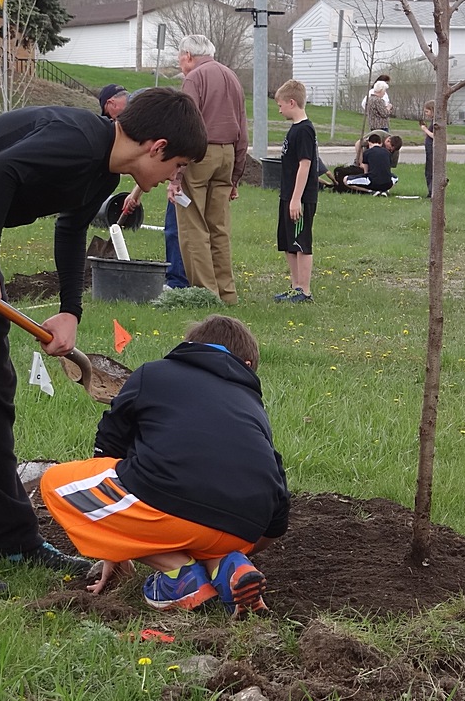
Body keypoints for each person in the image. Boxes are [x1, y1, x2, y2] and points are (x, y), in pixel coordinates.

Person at [0, 87, 208, 596]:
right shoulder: (78, 140)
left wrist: (70, 311)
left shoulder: (101, 166)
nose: (173, 177)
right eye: (178, 165)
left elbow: (72, 228)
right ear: (157, 146)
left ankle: (13, 538)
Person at [40, 315, 289, 615]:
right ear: (247, 366)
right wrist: (235, 544)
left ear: (189, 346)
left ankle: (178, 574)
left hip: (169, 505)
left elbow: (109, 447)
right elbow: (278, 509)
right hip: (244, 525)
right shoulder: (253, 406)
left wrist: (114, 541)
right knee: (204, 527)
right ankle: (227, 565)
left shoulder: (153, 374)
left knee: (53, 482)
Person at [176, 34, 248, 304]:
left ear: (188, 56)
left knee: (193, 227)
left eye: (180, 58)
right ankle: (227, 294)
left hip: (199, 153)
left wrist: (176, 174)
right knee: (219, 228)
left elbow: (185, 128)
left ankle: (206, 295)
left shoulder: (194, 78)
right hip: (227, 154)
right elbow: (243, 126)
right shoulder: (231, 77)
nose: (180, 63)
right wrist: (236, 176)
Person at [106, 88, 188, 290]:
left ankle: (178, 280)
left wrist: (174, 181)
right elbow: (144, 162)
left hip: (184, 185)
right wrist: (135, 194)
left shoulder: (169, 133)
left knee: (176, 229)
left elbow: (154, 160)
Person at [273, 79, 319, 303]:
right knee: (288, 242)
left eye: (281, 104)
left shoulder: (305, 130)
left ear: (292, 102)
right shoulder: (294, 129)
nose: (279, 109)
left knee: (301, 242)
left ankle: (305, 290)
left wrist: (296, 199)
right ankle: (294, 285)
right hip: (288, 195)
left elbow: (305, 164)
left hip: (299, 197)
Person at [420, 100, 435, 197]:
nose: (426, 114)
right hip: (428, 148)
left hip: (432, 149)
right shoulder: (433, 122)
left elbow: (435, 136)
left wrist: (425, 129)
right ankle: (430, 191)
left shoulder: (436, 123)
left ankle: (432, 192)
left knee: (430, 171)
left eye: (427, 111)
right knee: (427, 171)